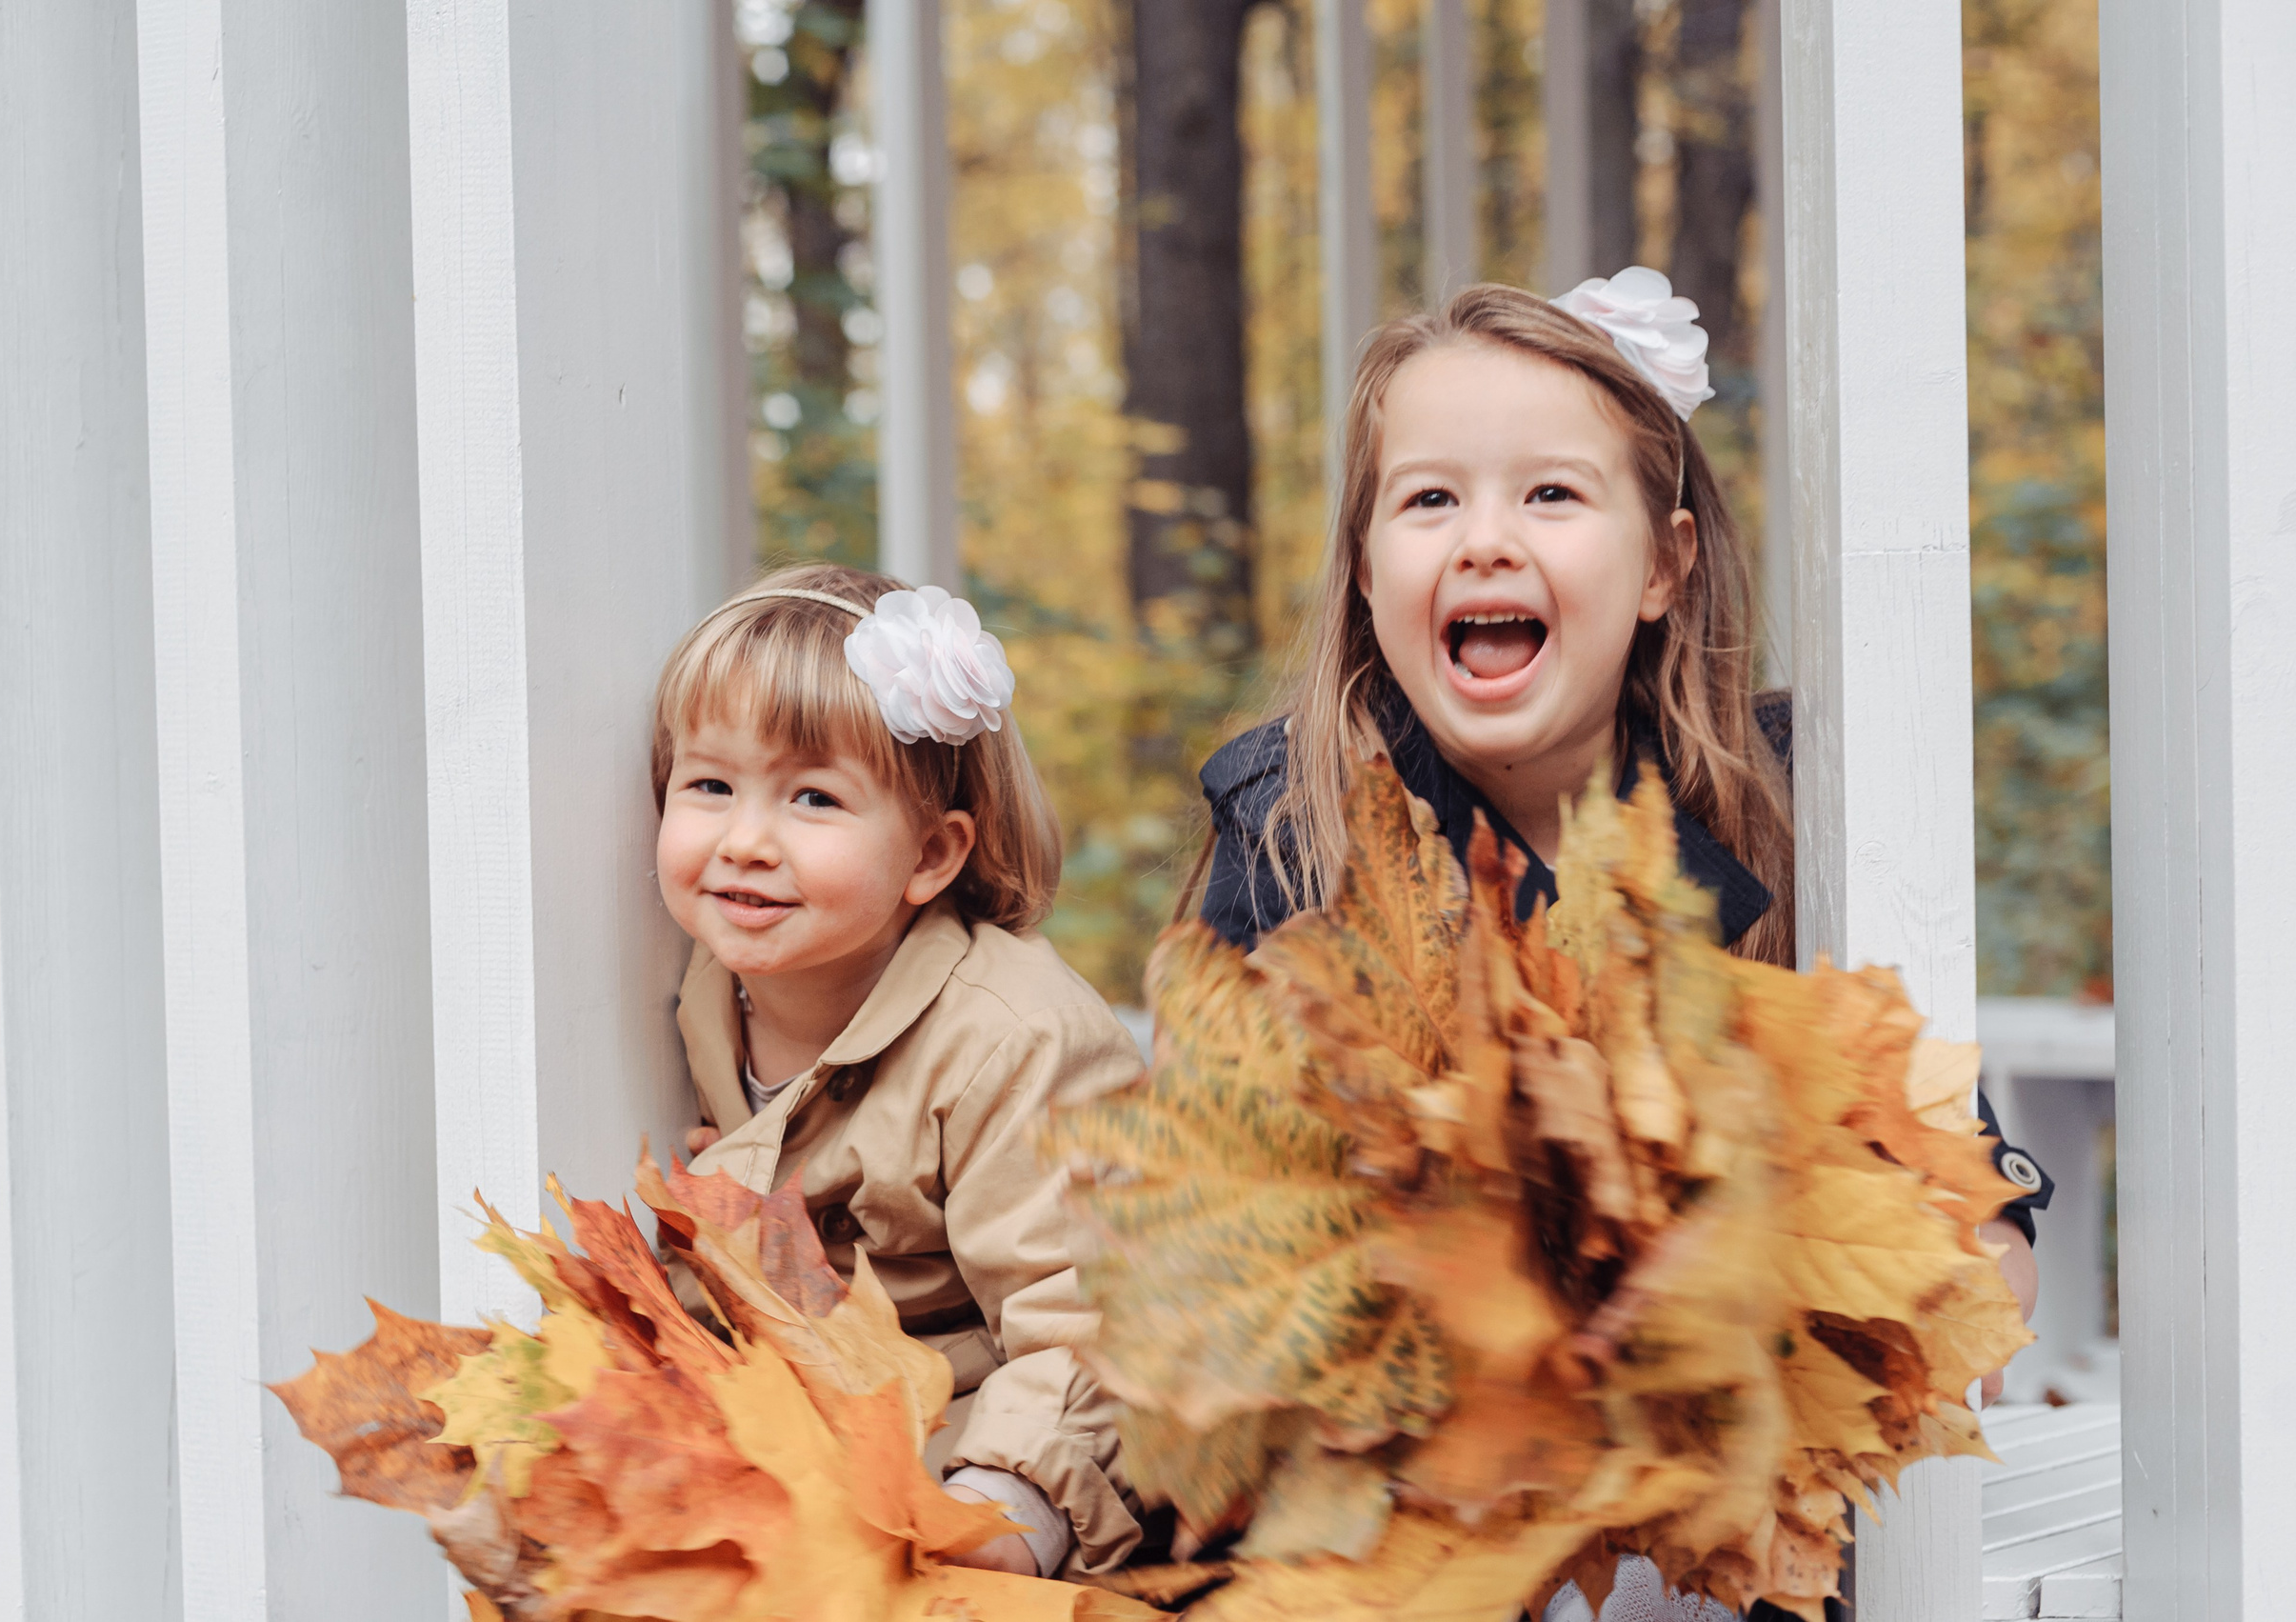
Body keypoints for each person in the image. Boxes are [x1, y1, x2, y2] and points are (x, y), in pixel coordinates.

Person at [1184, 272, 2049, 1621]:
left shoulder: (1793, 812)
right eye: (1430, 499)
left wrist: (1927, 1280)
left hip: (1733, 1495)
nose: (1484, 539)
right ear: (1364, 571)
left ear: (1662, 565)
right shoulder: (1298, 831)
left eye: (1550, 493)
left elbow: (1963, 1201)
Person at [652, 562, 1142, 1579]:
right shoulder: (705, 988)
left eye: (814, 797)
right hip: (805, 1440)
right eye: (710, 785)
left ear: (930, 854)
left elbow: (1086, 1319)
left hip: (977, 1450)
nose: (746, 840)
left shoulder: (1015, 1040)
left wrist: (1001, 1508)